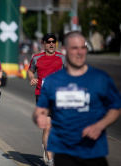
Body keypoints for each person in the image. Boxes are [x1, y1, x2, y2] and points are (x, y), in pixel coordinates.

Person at [33, 31, 121, 166]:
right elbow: (40, 110)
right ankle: (50, 157)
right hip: (65, 153)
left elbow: (115, 107)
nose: (79, 52)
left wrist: (100, 125)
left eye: (82, 47)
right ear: (66, 50)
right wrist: (39, 117)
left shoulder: (100, 78)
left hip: (94, 151)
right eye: (74, 48)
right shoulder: (52, 81)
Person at [27, 33, 66, 165]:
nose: (51, 44)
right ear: (43, 44)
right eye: (48, 41)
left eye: (53, 41)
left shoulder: (62, 58)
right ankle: (50, 159)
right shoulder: (36, 58)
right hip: (42, 95)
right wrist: (31, 78)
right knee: (47, 127)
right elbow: (30, 70)